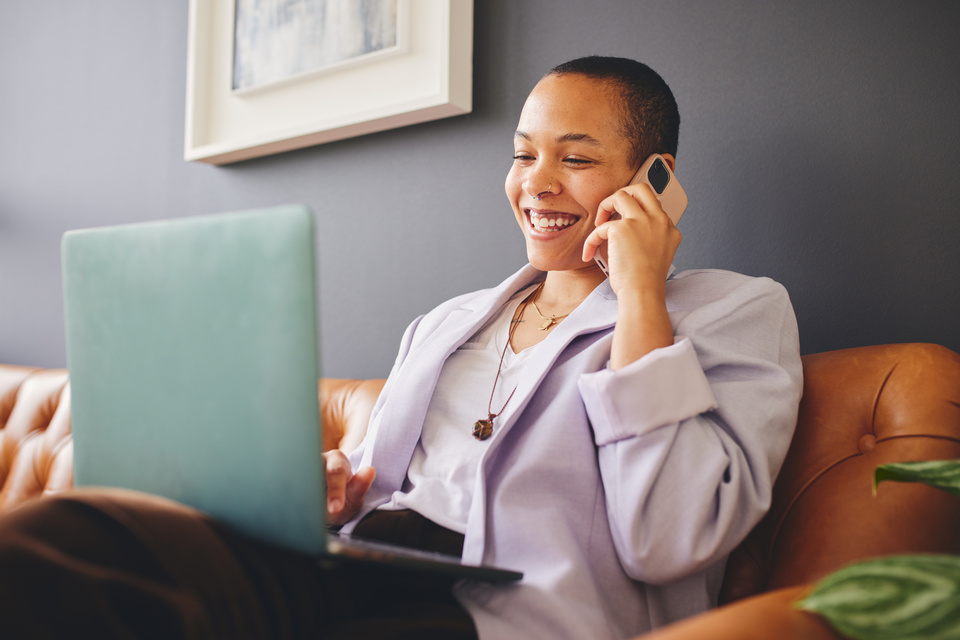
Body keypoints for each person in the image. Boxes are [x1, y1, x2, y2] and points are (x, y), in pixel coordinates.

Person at [0, 56, 802, 640]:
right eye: (524, 153)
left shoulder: (732, 311)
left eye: (578, 157)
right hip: (355, 566)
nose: (538, 182)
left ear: (653, 179)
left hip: (507, 614)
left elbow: (668, 537)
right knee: (59, 542)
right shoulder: (449, 322)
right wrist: (342, 493)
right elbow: (380, 483)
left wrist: (639, 295)